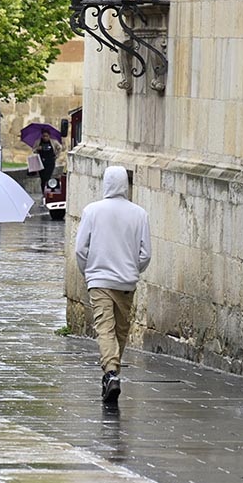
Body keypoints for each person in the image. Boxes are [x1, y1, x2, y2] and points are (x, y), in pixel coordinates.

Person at [75, 165, 151, 404]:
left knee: (105, 328)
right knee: (120, 329)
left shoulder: (92, 211)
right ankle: (112, 373)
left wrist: (88, 271)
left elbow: (80, 248)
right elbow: (145, 254)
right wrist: (131, 269)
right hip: (126, 281)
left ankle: (110, 373)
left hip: (99, 279)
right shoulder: (140, 214)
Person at [32, 131, 62, 197]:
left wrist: (56, 156)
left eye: (46, 136)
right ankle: (43, 192)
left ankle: (48, 193)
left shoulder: (53, 142)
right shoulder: (38, 142)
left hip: (50, 162)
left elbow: (59, 148)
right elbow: (33, 150)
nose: (45, 137)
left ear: (49, 136)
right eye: (44, 136)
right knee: (42, 178)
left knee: (48, 177)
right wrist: (37, 148)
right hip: (41, 162)